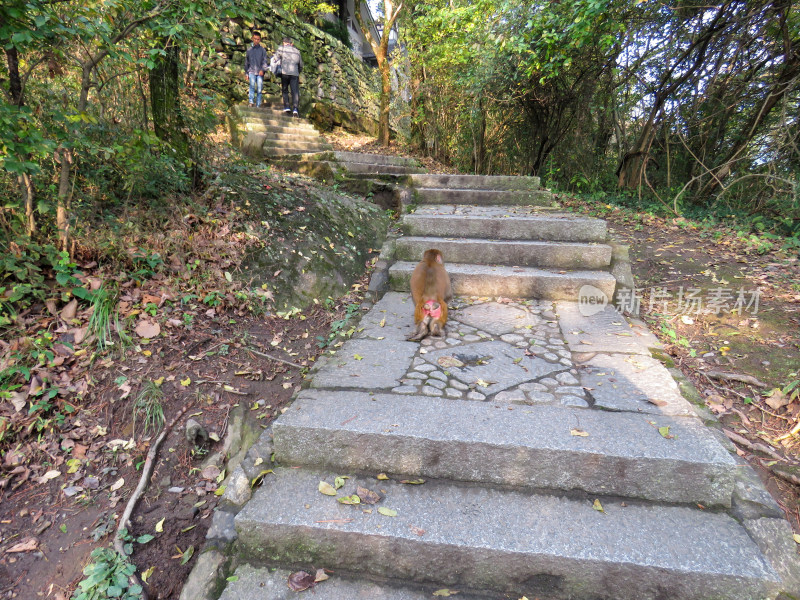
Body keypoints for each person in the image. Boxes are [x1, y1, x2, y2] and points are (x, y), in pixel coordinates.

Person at [275, 37, 303, 117]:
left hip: (285, 72)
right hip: (295, 73)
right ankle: (295, 109)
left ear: (284, 43)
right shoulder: (297, 51)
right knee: (295, 92)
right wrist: (298, 71)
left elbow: (276, 58)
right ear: (291, 43)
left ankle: (287, 106)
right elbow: (300, 65)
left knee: (285, 89)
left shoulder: (282, 49)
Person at [244, 32, 268, 108]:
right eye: (255, 39)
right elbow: (247, 62)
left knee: (259, 89)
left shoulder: (263, 50)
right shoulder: (249, 50)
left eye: (258, 39)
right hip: (251, 71)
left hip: (260, 72)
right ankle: (251, 102)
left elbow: (264, 62)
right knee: (251, 86)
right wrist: (246, 73)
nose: (256, 41)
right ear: (252, 39)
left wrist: (262, 70)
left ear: (260, 40)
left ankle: (258, 104)